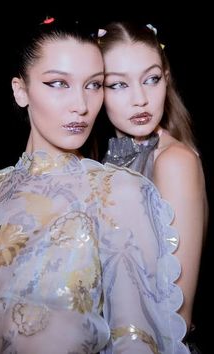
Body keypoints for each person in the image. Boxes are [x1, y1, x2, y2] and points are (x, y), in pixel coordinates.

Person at [0, 16, 190, 354]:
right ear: (21, 91)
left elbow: (138, 341)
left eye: (93, 85)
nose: (81, 105)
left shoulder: (118, 192)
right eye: (58, 83)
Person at [96, 20, 208, 350]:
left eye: (151, 79)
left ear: (166, 79)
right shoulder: (105, 161)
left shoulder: (174, 161)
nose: (141, 98)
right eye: (118, 85)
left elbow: (178, 317)